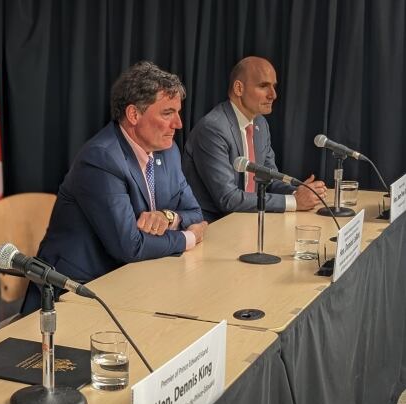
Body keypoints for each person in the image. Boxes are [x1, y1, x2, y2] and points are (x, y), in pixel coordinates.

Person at [21, 61, 207, 314]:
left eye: (178, 112)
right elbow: (130, 245)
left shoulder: (168, 151)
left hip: (132, 281)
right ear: (134, 115)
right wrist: (190, 237)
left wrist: (168, 216)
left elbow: (195, 213)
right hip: (76, 291)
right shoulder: (101, 158)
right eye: (167, 113)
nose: (178, 124)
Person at [182, 56, 327, 222]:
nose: (273, 95)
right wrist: (294, 201)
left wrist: (298, 191)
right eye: (264, 86)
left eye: (274, 86)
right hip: (213, 225)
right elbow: (228, 199)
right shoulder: (213, 128)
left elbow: (270, 180)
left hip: (246, 220)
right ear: (238, 88)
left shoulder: (260, 123)